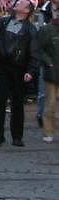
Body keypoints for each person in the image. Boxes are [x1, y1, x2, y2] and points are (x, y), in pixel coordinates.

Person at [0, 0, 39, 147]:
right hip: (2, 67)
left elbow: (34, 51)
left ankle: (17, 136)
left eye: (21, 3)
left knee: (17, 103)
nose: (17, 3)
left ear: (27, 10)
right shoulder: (4, 22)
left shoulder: (30, 29)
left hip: (19, 68)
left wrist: (31, 70)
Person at [38, 9, 59, 142]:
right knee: (51, 105)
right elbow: (40, 48)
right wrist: (48, 62)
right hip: (52, 73)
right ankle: (48, 132)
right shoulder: (47, 30)